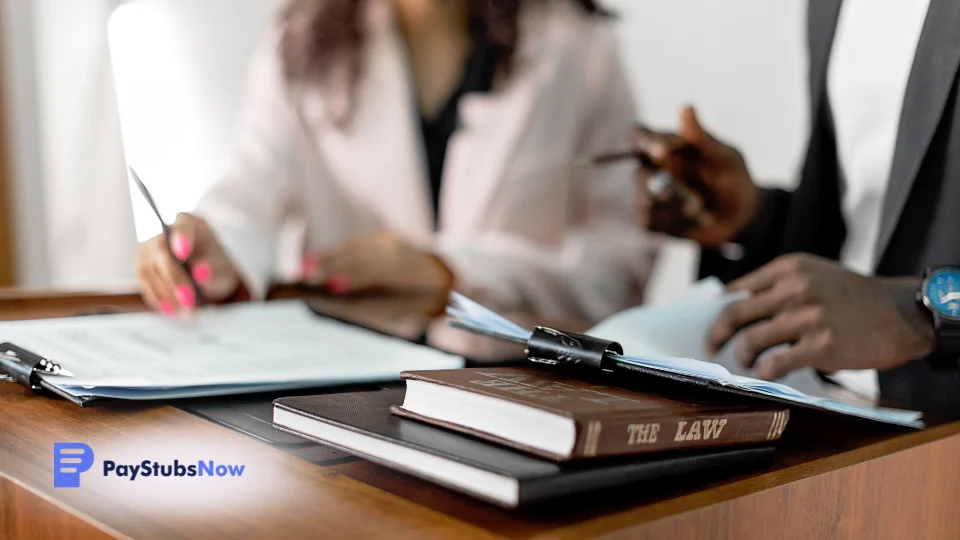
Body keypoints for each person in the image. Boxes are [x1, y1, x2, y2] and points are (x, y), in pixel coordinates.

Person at [136, 0, 656, 353]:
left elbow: (619, 271)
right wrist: (216, 249)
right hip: (345, 379)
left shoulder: (579, 46)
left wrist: (455, 277)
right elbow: (251, 185)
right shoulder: (299, 39)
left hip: (518, 386)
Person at [635, 0, 960, 413]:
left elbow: (891, 299)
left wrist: (923, 313)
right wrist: (754, 222)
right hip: (839, 414)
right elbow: (865, 231)